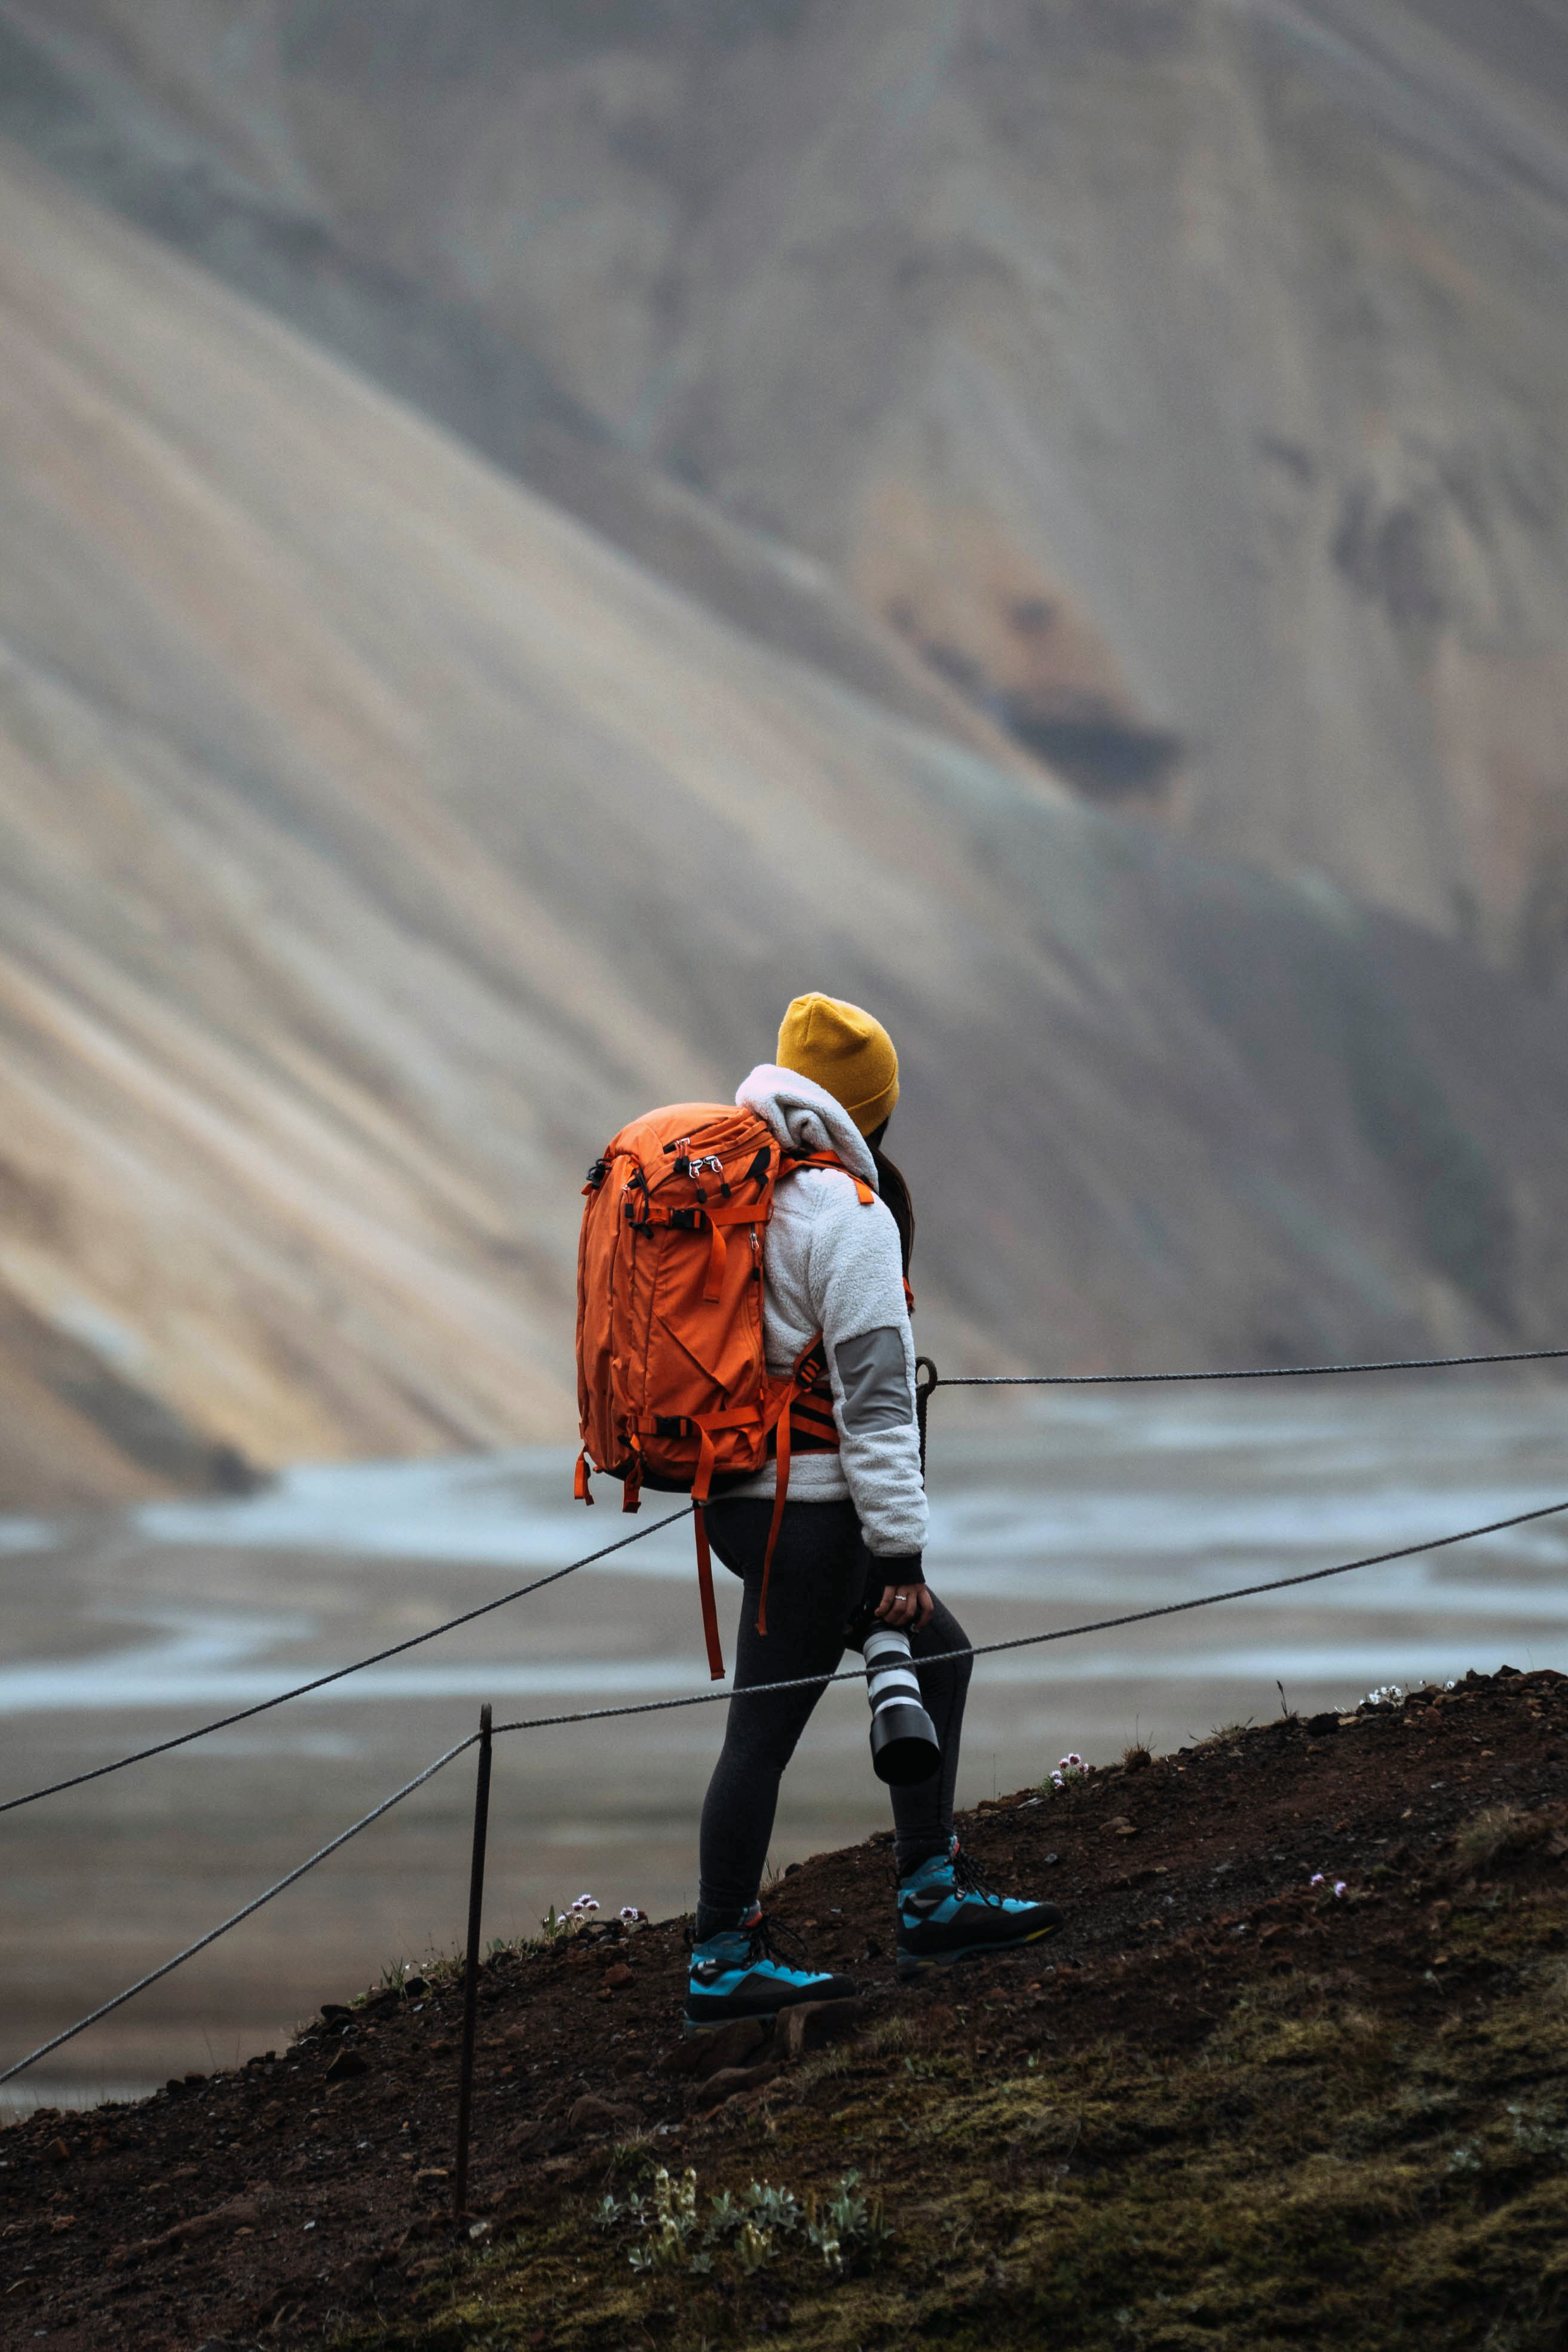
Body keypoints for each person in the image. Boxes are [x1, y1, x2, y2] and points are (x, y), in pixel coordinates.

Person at [685, 993, 1064, 2031]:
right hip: (813, 1519)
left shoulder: (741, 1188)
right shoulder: (843, 1215)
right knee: (764, 1736)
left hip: (742, 1504)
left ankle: (928, 1893)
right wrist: (898, 1555)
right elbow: (880, 1406)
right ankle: (724, 1956)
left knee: (938, 1657)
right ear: (873, 1111)